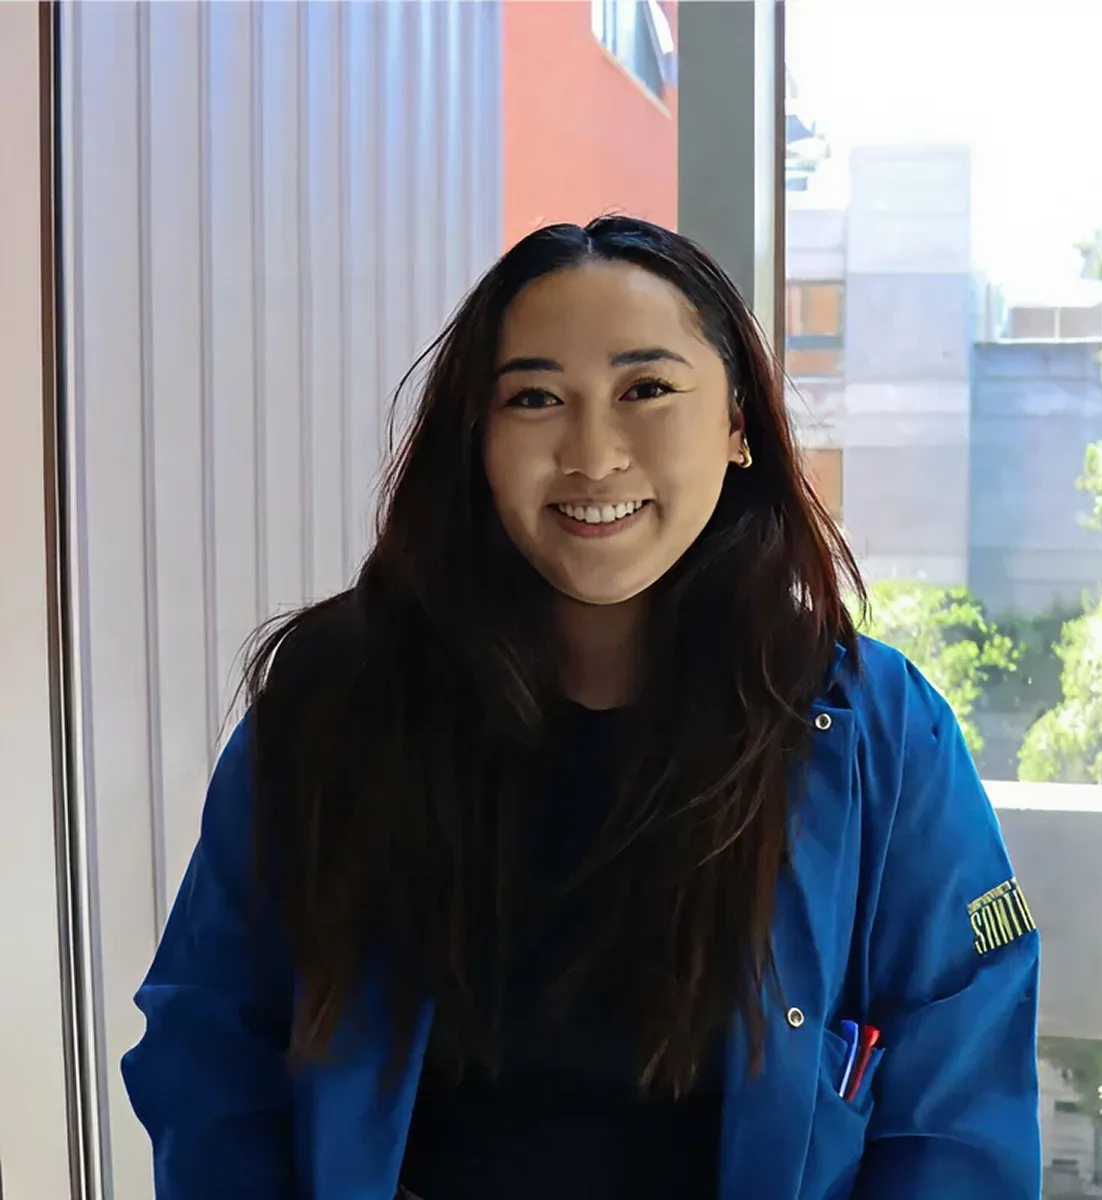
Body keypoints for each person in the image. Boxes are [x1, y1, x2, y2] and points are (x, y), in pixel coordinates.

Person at [122, 215, 1041, 1199]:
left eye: (646, 390)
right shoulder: (336, 702)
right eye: (534, 398)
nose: (593, 454)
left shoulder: (880, 735)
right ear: (476, 439)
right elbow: (208, 1040)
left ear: (738, 426)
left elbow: (957, 1123)